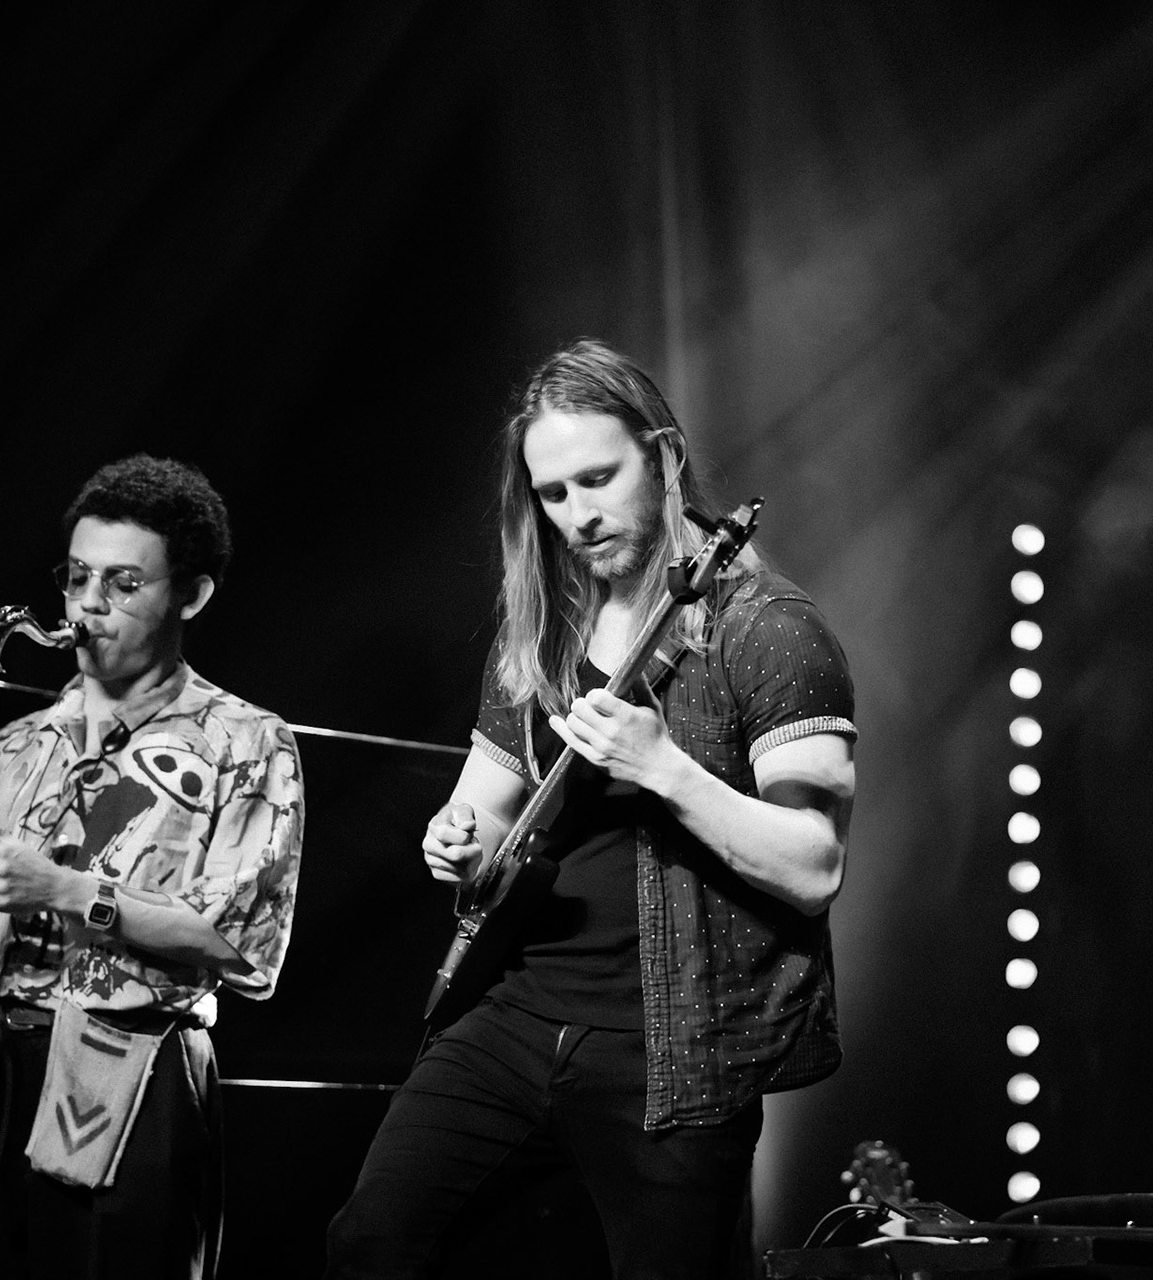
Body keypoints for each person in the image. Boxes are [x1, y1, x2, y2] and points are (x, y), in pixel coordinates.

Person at [324, 339, 856, 1279]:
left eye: (598, 479)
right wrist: (454, 841)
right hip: (517, 1013)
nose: (577, 514)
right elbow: (481, 814)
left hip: (682, 1042)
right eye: (553, 493)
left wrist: (669, 770)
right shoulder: (542, 630)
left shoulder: (770, 630)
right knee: (372, 1240)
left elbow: (813, 866)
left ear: (664, 456)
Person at [0, 453, 304, 1280]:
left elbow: (241, 947)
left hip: (137, 1075)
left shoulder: (246, 741)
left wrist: (68, 892)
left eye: (122, 584)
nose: (86, 609)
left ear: (191, 593)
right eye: (76, 579)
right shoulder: (13, 745)